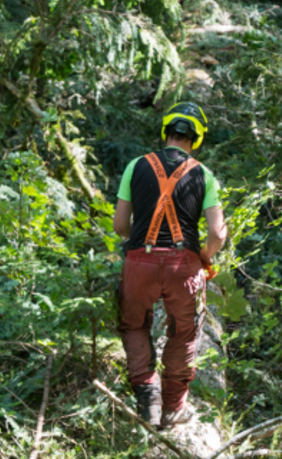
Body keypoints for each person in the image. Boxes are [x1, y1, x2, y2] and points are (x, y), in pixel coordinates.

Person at [113, 102, 227, 429]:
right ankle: (174, 407)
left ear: (166, 132)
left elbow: (120, 225)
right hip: (184, 265)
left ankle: (148, 396)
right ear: (197, 138)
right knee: (184, 334)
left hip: (140, 261)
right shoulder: (204, 175)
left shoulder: (136, 166)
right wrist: (205, 255)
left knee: (134, 325)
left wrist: (140, 240)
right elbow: (218, 233)